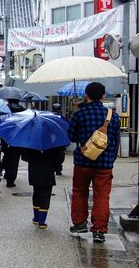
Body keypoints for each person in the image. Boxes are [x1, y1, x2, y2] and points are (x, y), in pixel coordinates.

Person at [68, 82, 121, 244]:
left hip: (83, 161)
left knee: (79, 192)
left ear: (86, 95)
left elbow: (71, 137)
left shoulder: (79, 114)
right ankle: (99, 230)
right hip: (104, 164)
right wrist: (110, 159)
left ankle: (79, 223)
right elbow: (114, 140)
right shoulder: (112, 116)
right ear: (104, 96)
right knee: (102, 196)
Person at [20, 146, 66, 228]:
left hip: (34, 170)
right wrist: (54, 165)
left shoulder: (31, 141)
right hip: (48, 170)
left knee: (36, 193)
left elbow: (24, 156)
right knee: (45, 195)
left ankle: (36, 218)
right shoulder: (53, 142)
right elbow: (60, 157)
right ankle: (42, 221)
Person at [1, 99, 25, 187]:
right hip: (17, 138)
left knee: (7, 156)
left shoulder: (4, 109)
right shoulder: (23, 111)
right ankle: (10, 180)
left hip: (6, 137)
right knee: (14, 160)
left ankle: (5, 171)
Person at [51, 103, 66, 175]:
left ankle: (54, 167)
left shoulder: (49, 117)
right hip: (60, 139)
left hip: (51, 139)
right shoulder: (61, 118)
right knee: (60, 154)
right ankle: (58, 168)